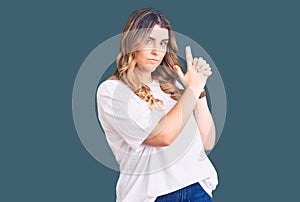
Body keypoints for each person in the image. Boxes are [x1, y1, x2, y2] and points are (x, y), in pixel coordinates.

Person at [96, 7, 218, 202]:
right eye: (148, 41)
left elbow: (208, 142)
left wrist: (199, 92)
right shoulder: (111, 91)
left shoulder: (172, 86)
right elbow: (162, 136)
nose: (156, 51)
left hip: (197, 189)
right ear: (131, 43)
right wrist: (192, 91)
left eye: (163, 43)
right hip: (153, 196)